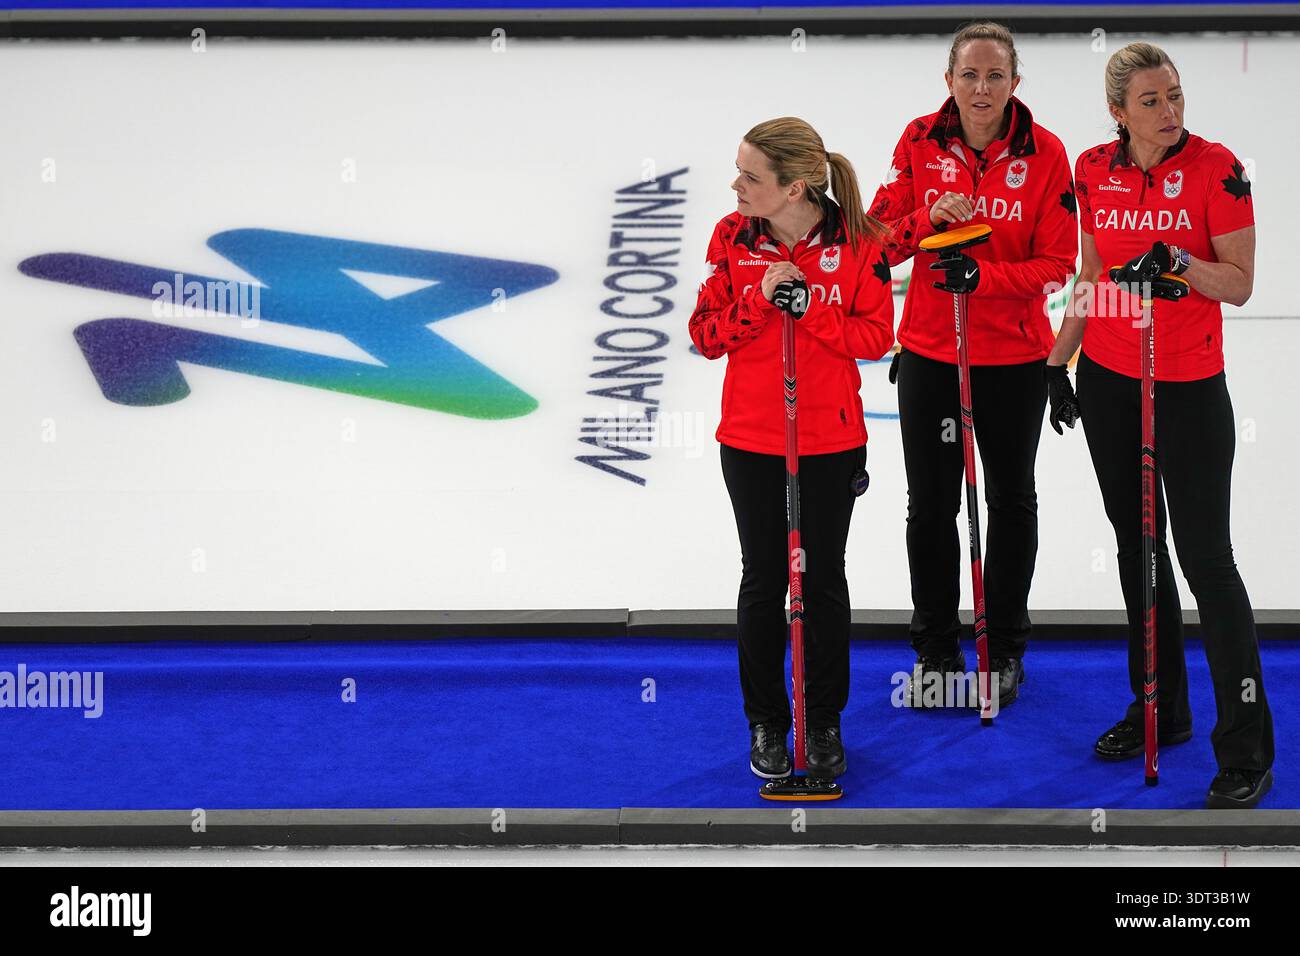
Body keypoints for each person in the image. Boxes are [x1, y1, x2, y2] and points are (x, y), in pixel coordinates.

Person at [1047, 42, 1274, 808]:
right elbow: (1093, 275)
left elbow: (1239, 284)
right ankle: (1161, 708)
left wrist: (1177, 260)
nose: (1170, 111)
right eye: (1152, 101)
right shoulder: (1091, 169)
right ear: (1119, 113)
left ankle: (1245, 744)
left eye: (1175, 95)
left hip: (1187, 385)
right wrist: (1059, 361)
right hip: (1112, 379)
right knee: (1138, 549)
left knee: (1207, 559)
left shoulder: (1217, 168)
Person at [867, 21, 1078, 708]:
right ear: (949, 81)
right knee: (930, 507)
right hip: (931, 353)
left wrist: (982, 280)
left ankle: (1007, 646)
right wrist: (928, 218)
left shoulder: (1046, 155)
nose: (981, 89)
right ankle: (934, 647)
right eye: (969, 76)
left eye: (994, 77)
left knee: (1011, 502)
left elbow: (1057, 266)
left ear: (1015, 83)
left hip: (1013, 359)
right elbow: (878, 246)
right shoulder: (918, 142)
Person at [689, 117, 894, 780]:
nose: (736, 185)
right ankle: (768, 722)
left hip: (831, 441)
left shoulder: (860, 241)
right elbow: (705, 334)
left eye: (751, 176)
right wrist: (758, 302)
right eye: (738, 171)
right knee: (764, 579)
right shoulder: (730, 236)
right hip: (751, 440)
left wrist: (810, 308)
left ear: (795, 186)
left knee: (823, 579)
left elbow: (874, 339)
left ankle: (825, 718)